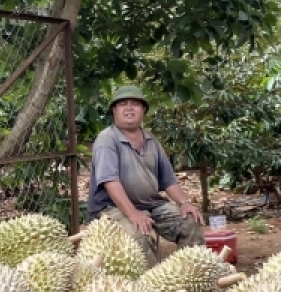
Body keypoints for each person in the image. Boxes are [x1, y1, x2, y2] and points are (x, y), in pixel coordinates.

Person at [87, 85, 204, 265]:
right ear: (114, 110)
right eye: (123, 104)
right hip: (111, 208)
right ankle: (145, 288)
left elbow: (168, 180)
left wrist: (185, 202)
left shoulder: (151, 140)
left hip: (152, 205)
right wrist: (133, 213)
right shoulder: (107, 139)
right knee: (138, 235)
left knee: (190, 222)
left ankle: (189, 276)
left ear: (143, 111)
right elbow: (110, 182)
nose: (129, 108)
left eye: (135, 104)